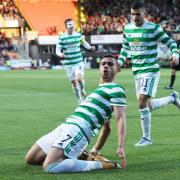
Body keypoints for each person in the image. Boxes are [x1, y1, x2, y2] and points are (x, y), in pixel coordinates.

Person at [25, 54, 127, 173]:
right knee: (31, 159)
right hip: (66, 126)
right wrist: (95, 150)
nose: (105, 66)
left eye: (110, 64)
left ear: (118, 69)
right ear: (99, 68)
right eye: (103, 64)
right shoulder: (99, 90)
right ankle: (83, 156)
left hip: (79, 129)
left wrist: (120, 146)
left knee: (50, 166)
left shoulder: (116, 89)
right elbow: (107, 128)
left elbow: (120, 118)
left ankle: (99, 164)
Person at [118, 1, 180, 147]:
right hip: (137, 72)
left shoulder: (153, 28)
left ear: (144, 13)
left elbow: (171, 42)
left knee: (141, 102)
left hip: (150, 70)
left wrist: (175, 54)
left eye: (138, 14)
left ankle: (146, 138)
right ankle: (172, 98)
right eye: (132, 14)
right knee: (147, 105)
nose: (135, 17)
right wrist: (120, 62)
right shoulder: (127, 29)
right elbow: (125, 47)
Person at [56, 19, 95, 104]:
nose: (72, 26)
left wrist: (90, 47)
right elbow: (57, 49)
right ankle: (79, 100)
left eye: (73, 24)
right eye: (70, 25)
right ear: (66, 26)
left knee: (79, 79)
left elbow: (84, 43)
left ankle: (82, 90)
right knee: (74, 83)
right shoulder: (62, 37)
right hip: (69, 64)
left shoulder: (78, 35)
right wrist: (60, 54)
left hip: (78, 61)